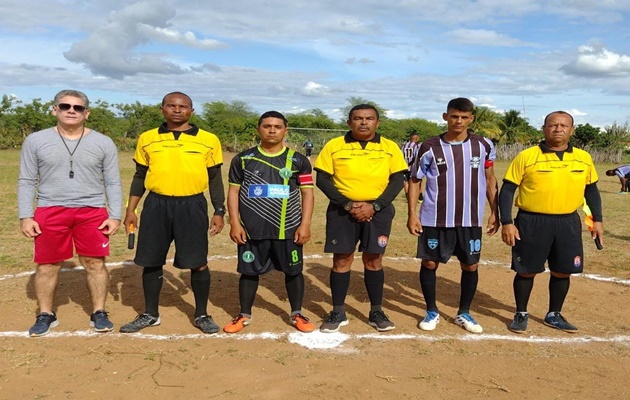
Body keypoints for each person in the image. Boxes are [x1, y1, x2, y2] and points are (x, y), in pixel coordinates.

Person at [18, 89, 123, 337]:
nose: (71, 111)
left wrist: (115, 214)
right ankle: (45, 313)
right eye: (65, 106)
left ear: (87, 113)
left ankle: (99, 312)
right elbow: (26, 179)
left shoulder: (103, 142)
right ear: (55, 110)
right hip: (50, 209)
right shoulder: (36, 140)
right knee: (47, 265)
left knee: (95, 263)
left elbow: (113, 182)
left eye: (77, 107)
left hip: (92, 210)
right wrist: (26, 215)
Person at [119, 92, 226, 334]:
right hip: (157, 205)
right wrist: (131, 209)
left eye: (183, 106)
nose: (177, 110)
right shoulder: (148, 138)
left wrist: (219, 210)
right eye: (172, 106)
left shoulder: (208, 140)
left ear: (192, 111)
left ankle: (201, 314)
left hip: (192, 205)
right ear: (162, 109)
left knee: (198, 262)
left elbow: (215, 179)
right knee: (151, 260)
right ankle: (150, 313)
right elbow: (139, 176)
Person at [499, 110, 603, 334]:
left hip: (567, 222)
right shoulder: (527, 156)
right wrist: (507, 222)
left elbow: (592, 190)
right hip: (532, 221)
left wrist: (598, 220)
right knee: (527, 270)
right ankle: (521, 313)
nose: (558, 129)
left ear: (571, 130)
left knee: (563, 271)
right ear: (544, 128)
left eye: (564, 125)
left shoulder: (583, 158)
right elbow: (507, 190)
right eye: (553, 125)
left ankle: (554, 314)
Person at [406, 97, 499, 334]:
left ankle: (464, 312)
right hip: (434, 217)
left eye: (464, 117)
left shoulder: (483, 145)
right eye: (454, 116)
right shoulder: (429, 146)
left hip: (470, 218)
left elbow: (490, 179)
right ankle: (431, 310)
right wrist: (412, 215)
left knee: (470, 265)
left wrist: (495, 212)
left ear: (471, 119)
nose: (459, 121)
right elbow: (415, 180)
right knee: (429, 262)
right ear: (445, 116)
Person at [314, 104, 407, 333]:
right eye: (358, 118)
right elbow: (323, 180)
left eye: (369, 118)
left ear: (378, 122)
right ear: (349, 122)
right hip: (342, 211)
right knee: (342, 260)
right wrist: (347, 204)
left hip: (378, 211)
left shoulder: (389, 147)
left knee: (374, 260)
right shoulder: (335, 146)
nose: (363, 122)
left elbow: (397, 180)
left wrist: (374, 206)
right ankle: (338, 311)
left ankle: (376, 311)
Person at [222, 111, 315, 333]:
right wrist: (235, 223)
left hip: (288, 228)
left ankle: (296, 313)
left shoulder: (298, 161)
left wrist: (305, 224)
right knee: (248, 271)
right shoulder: (243, 159)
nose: (272, 130)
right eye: (266, 126)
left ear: (285, 130)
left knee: (293, 271)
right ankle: (244, 314)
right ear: (258, 129)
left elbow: (308, 194)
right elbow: (233, 193)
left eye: (277, 126)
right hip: (252, 230)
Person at [400, 132, 423, 201]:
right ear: (416, 138)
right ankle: (420, 197)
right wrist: (410, 163)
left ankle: (408, 197)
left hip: (405, 166)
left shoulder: (404, 145)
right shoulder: (417, 146)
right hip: (413, 167)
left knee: (406, 181)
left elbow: (401, 155)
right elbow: (416, 156)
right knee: (416, 182)